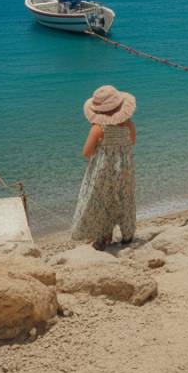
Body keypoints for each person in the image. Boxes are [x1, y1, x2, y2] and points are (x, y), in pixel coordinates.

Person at [71, 85, 137, 250]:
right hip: (125, 169)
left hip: (103, 171)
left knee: (101, 201)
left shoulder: (98, 129)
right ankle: (128, 236)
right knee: (125, 199)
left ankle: (102, 237)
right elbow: (132, 142)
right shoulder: (128, 124)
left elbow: (87, 152)